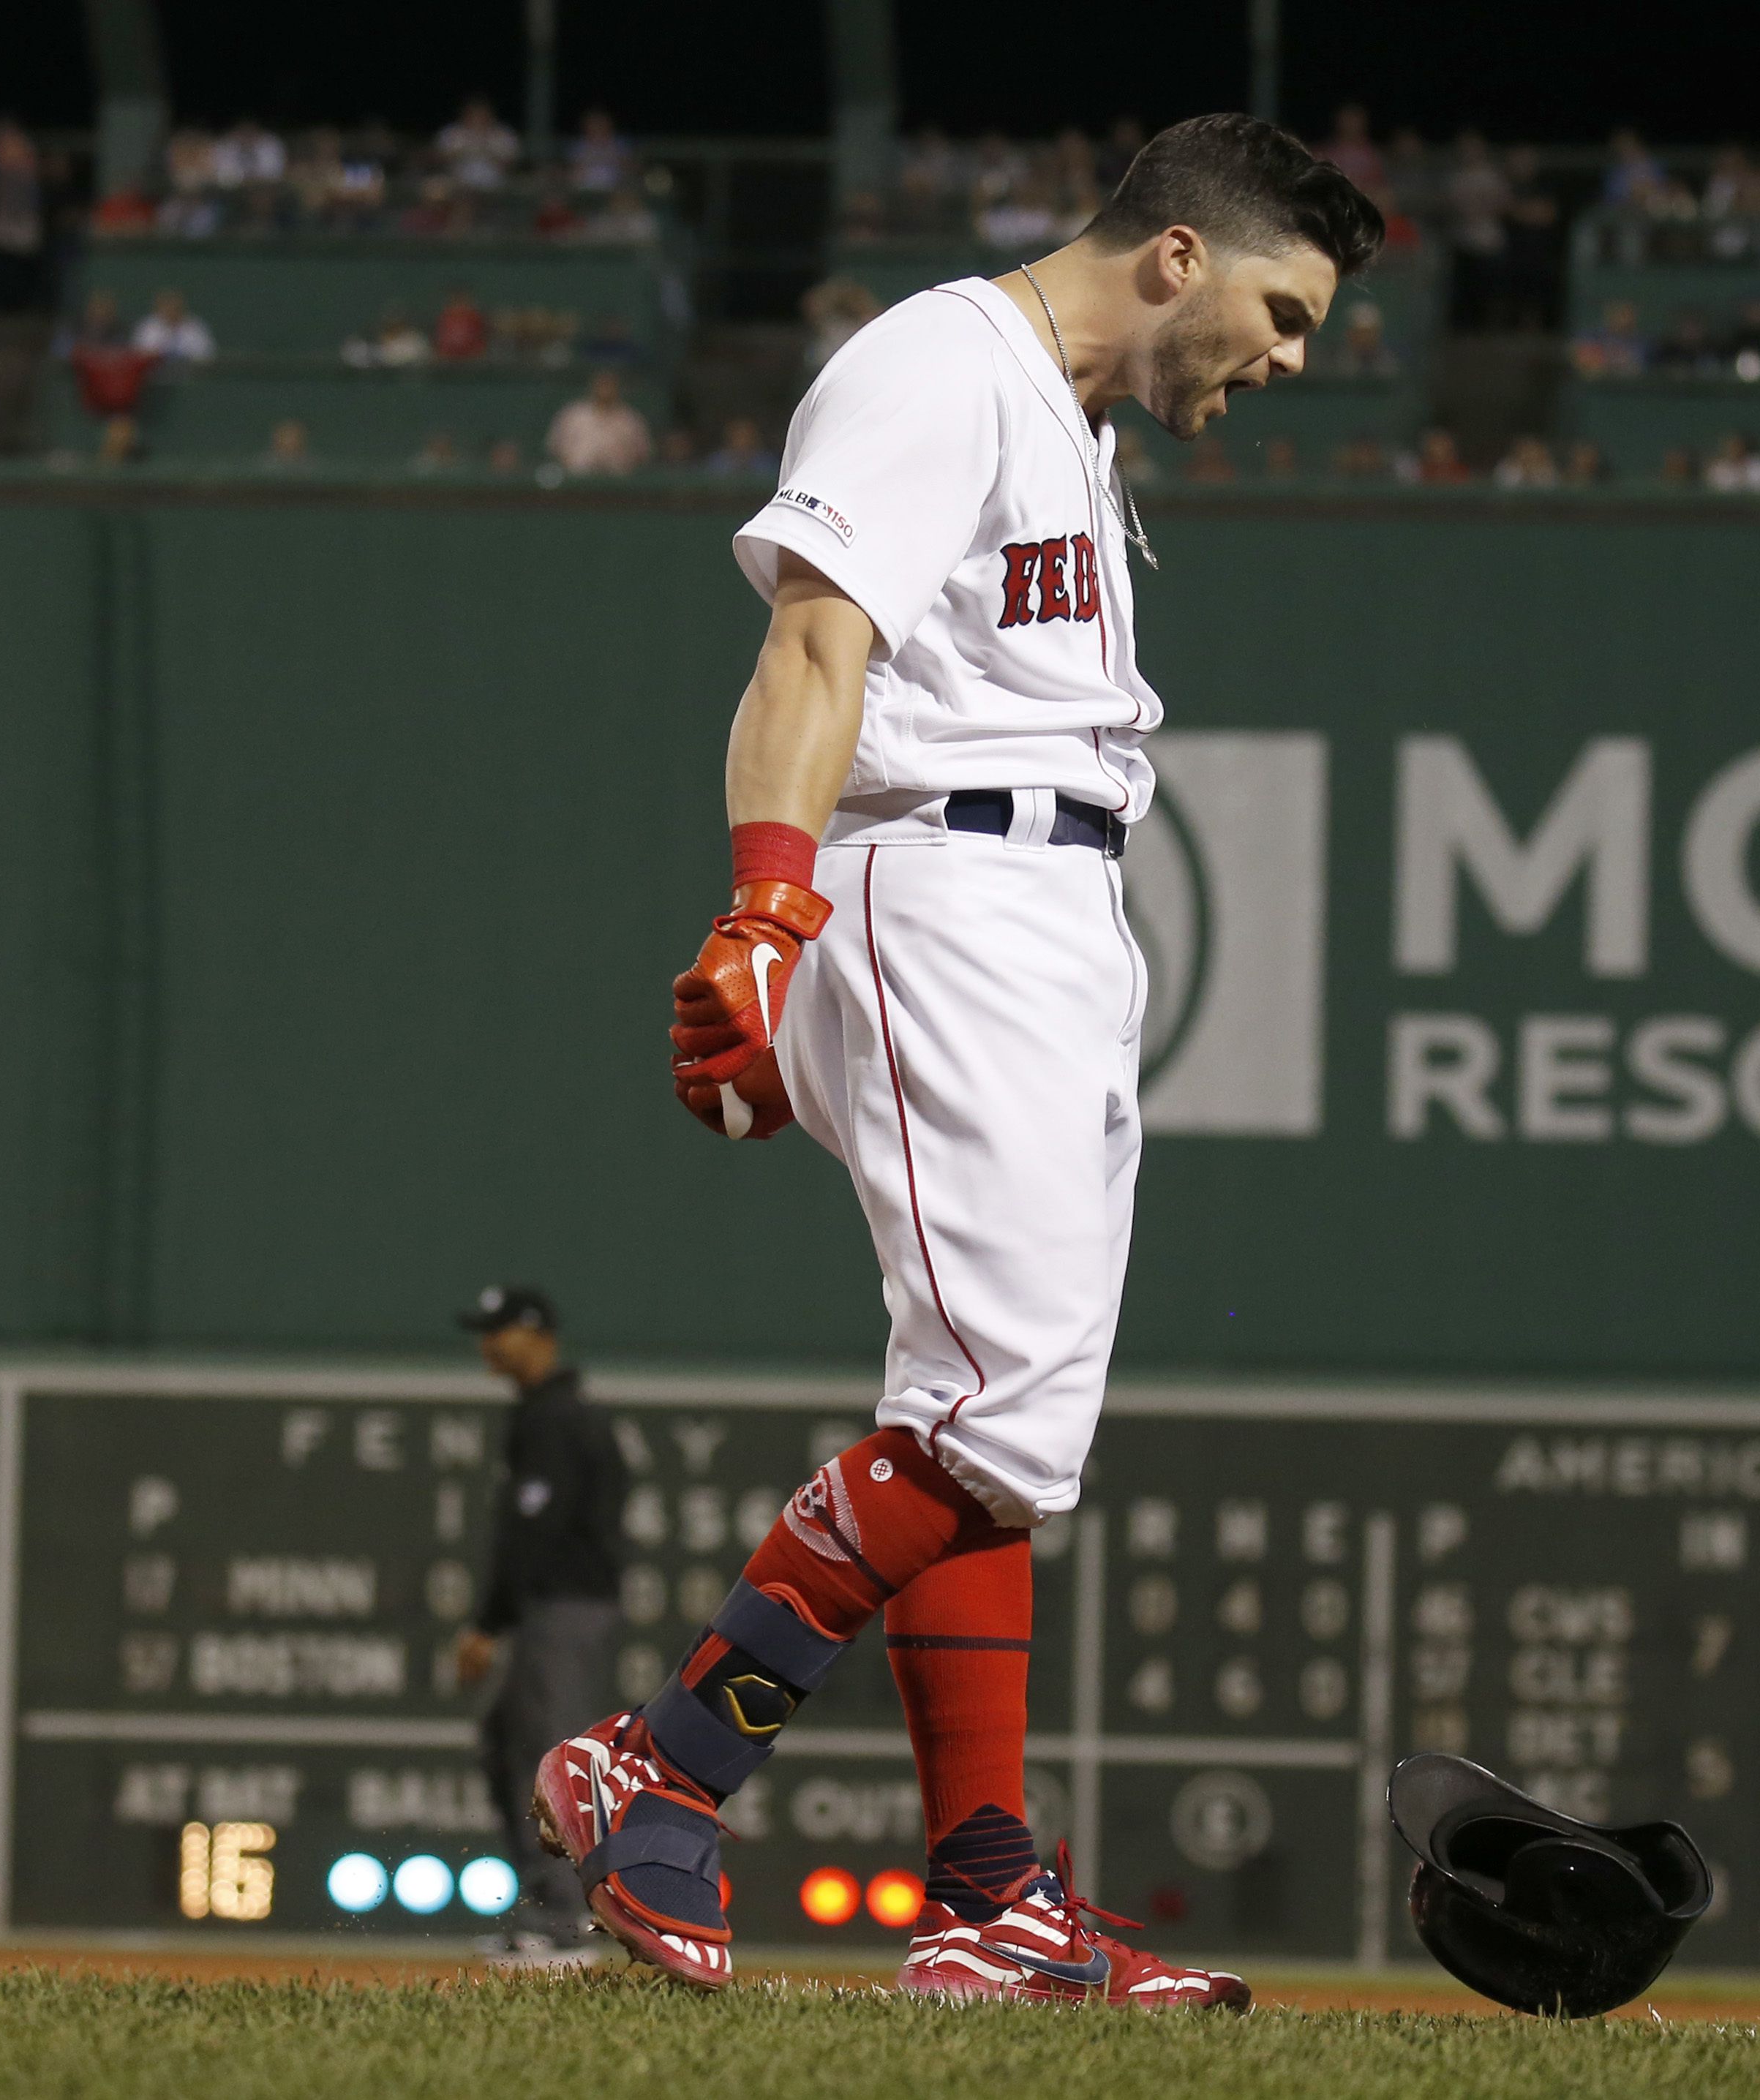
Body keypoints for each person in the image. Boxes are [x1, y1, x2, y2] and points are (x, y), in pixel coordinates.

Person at [529, 109, 1379, 2012]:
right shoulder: (940, 362)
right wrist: (766, 908)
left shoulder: (1066, 421)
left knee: (1002, 1436)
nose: (1293, 352)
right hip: (946, 882)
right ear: (1176, 254)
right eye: (1285, 305)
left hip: (1052, 907)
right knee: (993, 1405)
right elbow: (815, 646)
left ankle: (990, 1888)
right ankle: (656, 1764)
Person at [450, 1284, 627, 1964]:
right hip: (554, 1608)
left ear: (537, 1334)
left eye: (500, 1330)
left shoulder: (558, 1417)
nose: (488, 1344)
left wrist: (486, 1624)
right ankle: (549, 1910)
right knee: (506, 1743)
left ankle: (566, 1924)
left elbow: (536, 1531)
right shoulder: (548, 1412)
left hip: (566, 1607)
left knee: (548, 1758)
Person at [544, 368, 651, 476]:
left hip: (619, 484)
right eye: (602, 384)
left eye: (609, 384)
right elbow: (555, 448)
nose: (605, 389)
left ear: (617, 388)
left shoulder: (631, 419)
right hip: (576, 481)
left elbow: (643, 455)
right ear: (593, 386)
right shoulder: (573, 415)